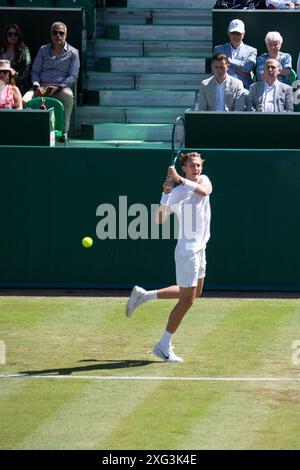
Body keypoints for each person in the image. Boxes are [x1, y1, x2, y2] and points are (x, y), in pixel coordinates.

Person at [126, 152, 212, 363]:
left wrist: (179, 181)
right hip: (187, 252)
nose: (196, 169)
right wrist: (165, 193)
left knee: (195, 293)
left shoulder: (203, 181)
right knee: (186, 300)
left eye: (198, 165)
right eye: (192, 166)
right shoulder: (178, 192)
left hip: (200, 249)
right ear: (183, 167)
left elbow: (203, 192)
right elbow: (159, 219)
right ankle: (163, 346)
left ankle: (145, 296)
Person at [23, 22, 80, 142]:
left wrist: (58, 87)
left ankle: (65, 132)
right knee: (24, 100)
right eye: (55, 33)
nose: (58, 35)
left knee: (69, 95)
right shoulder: (43, 50)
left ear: (66, 35)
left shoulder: (74, 53)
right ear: (51, 34)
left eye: (61, 33)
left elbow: (73, 76)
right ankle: (27, 130)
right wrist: (36, 86)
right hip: (41, 87)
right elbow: (35, 72)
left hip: (61, 88)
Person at [214, 19, 257, 90]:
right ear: (228, 33)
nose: (236, 36)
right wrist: (237, 71)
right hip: (223, 88)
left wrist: (227, 60)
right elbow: (217, 70)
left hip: (243, 89)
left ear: (243, 34)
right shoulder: (218, 49)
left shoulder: (252, 51)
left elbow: (247, 68)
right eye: (233, 33)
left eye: (238, 33)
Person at [0, 23, 31, 95]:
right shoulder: (1, 50)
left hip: (19, 85)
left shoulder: (24, 50)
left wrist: (11, 81)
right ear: (6, 35)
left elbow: (26, 70)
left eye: (15, 34)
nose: (13, 36)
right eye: (10, 34)